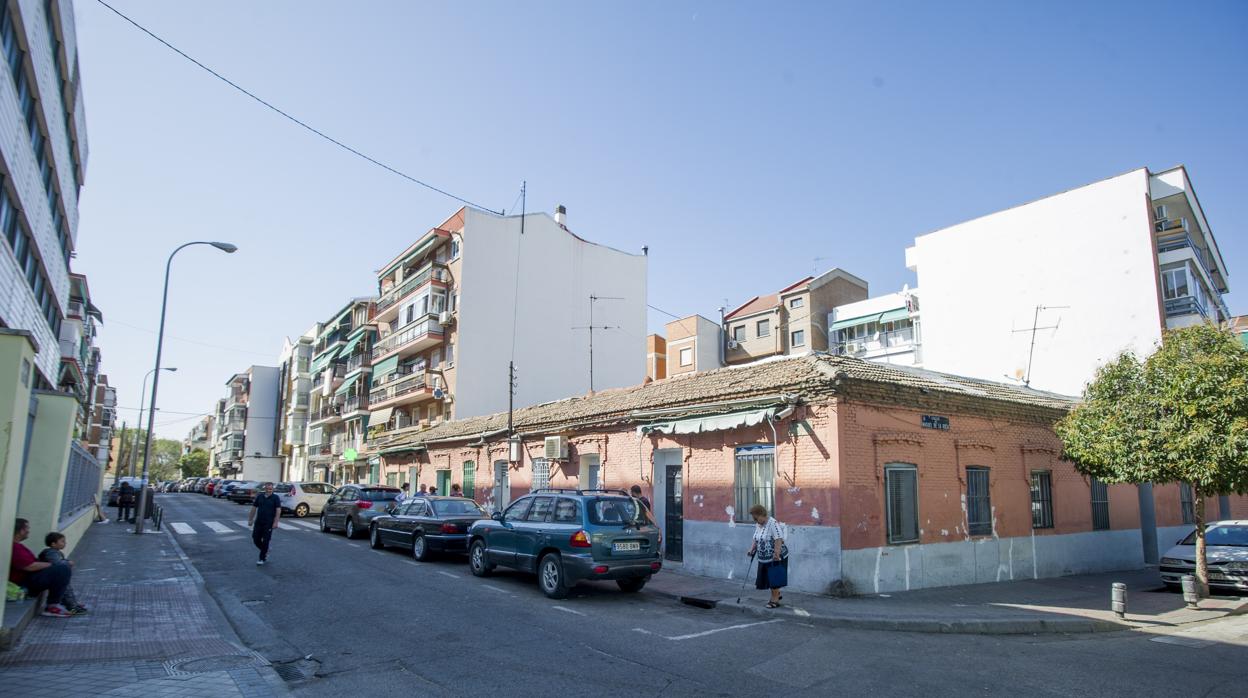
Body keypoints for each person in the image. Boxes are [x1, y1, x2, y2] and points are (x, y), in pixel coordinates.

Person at [9, 518, 73, 617]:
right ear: (21, 531)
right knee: (62, 568)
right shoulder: (14, 548)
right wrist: (53, 565)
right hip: (24, 583)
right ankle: (52, 606)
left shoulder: (18, 546)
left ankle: (62, 602)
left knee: (62, 567)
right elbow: (29, 566)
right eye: (27, 528)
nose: (28, 531)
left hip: (30, 578)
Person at [746, 504, 788, 608]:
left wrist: (776, 554)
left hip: (775, 556)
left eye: (756, 518)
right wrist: (751, 549)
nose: (755, 520)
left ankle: (774, 600)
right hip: (764, 557)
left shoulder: (772, 523)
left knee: (774, 578)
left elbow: (779, 538)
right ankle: (776, 595)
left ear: (762, 514)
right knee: (768, 579)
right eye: (754, 518)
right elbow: (756, 538)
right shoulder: (759, 524)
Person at [38, 532, 86, 614]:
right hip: (49, 576)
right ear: (53, 544)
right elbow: (57, 563)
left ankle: (72, 603)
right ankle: (71, 605)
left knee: (67, 586)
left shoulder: (57, 552)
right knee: (65, 587)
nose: (65, 543)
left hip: (54, 576)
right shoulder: (51, 553)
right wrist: (67, 563)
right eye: (62, 541)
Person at [247, 482, 281, 566]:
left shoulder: (275, 498)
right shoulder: (260, 497)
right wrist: (250, 519)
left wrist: (276, 522)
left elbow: (278, 510)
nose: (269, 490)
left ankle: (262, 558)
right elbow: (254, 508)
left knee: (266, 541)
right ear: (265, 489)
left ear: (272, 489)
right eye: (267, 488)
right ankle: (266, 550)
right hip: (259, 522)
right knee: (255, 539)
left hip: (268, 523)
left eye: (270, 489)